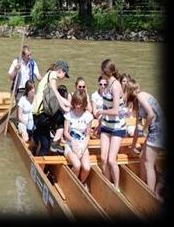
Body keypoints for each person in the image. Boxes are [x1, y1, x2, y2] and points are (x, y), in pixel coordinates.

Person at [126, 79, 164, 195]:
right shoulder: (137, 103)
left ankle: (150, 194)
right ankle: (142, 185)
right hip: (155, 131)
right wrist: (132, 147)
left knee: (149, 164)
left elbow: (151, 115)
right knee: (142, 157)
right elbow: (137, 129)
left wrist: (145, 128)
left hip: (158, 131)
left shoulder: (140, 96)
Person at [94, 59, 126, 192]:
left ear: (107, 71)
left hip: (117, 127)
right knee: (103, 158)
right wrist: (100, 124)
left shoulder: (116, 85)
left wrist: (101, 111)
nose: (101, 72)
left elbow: (116, 111)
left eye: (102, 70)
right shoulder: (107, 84)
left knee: (112, 160)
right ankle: (108, 183)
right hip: (107, 125)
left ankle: (116, 187)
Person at [31, 60, 71, 156]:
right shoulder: (53, 74)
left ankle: (38, 164)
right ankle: (55, 142)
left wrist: (70, 105)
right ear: (61, 71)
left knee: (44, 144)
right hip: (42, 114)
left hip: (36, 115)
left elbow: (57, 96)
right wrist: (64, 107)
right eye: (65, 75)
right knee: (62, 119)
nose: (63, 78)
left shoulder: (47, 76)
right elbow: (56, 93)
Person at [63, 90, 93, 189]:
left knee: (87, 168)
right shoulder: (69, 115)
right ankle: (71, 185)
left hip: (82, 144)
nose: (77, 106)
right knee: (77, 165)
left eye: (80, 103)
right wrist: (73, 142)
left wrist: (83, 149)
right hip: (70, 144)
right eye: (76, 103)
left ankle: (80, 182)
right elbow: (66, 133)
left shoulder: (88, 116)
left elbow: (88, 135)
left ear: (84, 103)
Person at [17, 80, 35, 144]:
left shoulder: (36, 99)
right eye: (31, 90)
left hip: (33, 123)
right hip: (23, 123)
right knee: (26, 137)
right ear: (27, 91)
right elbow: (19, 116)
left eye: (33, 88)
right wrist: (25, 123)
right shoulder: (22, 100)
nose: (33, 91)